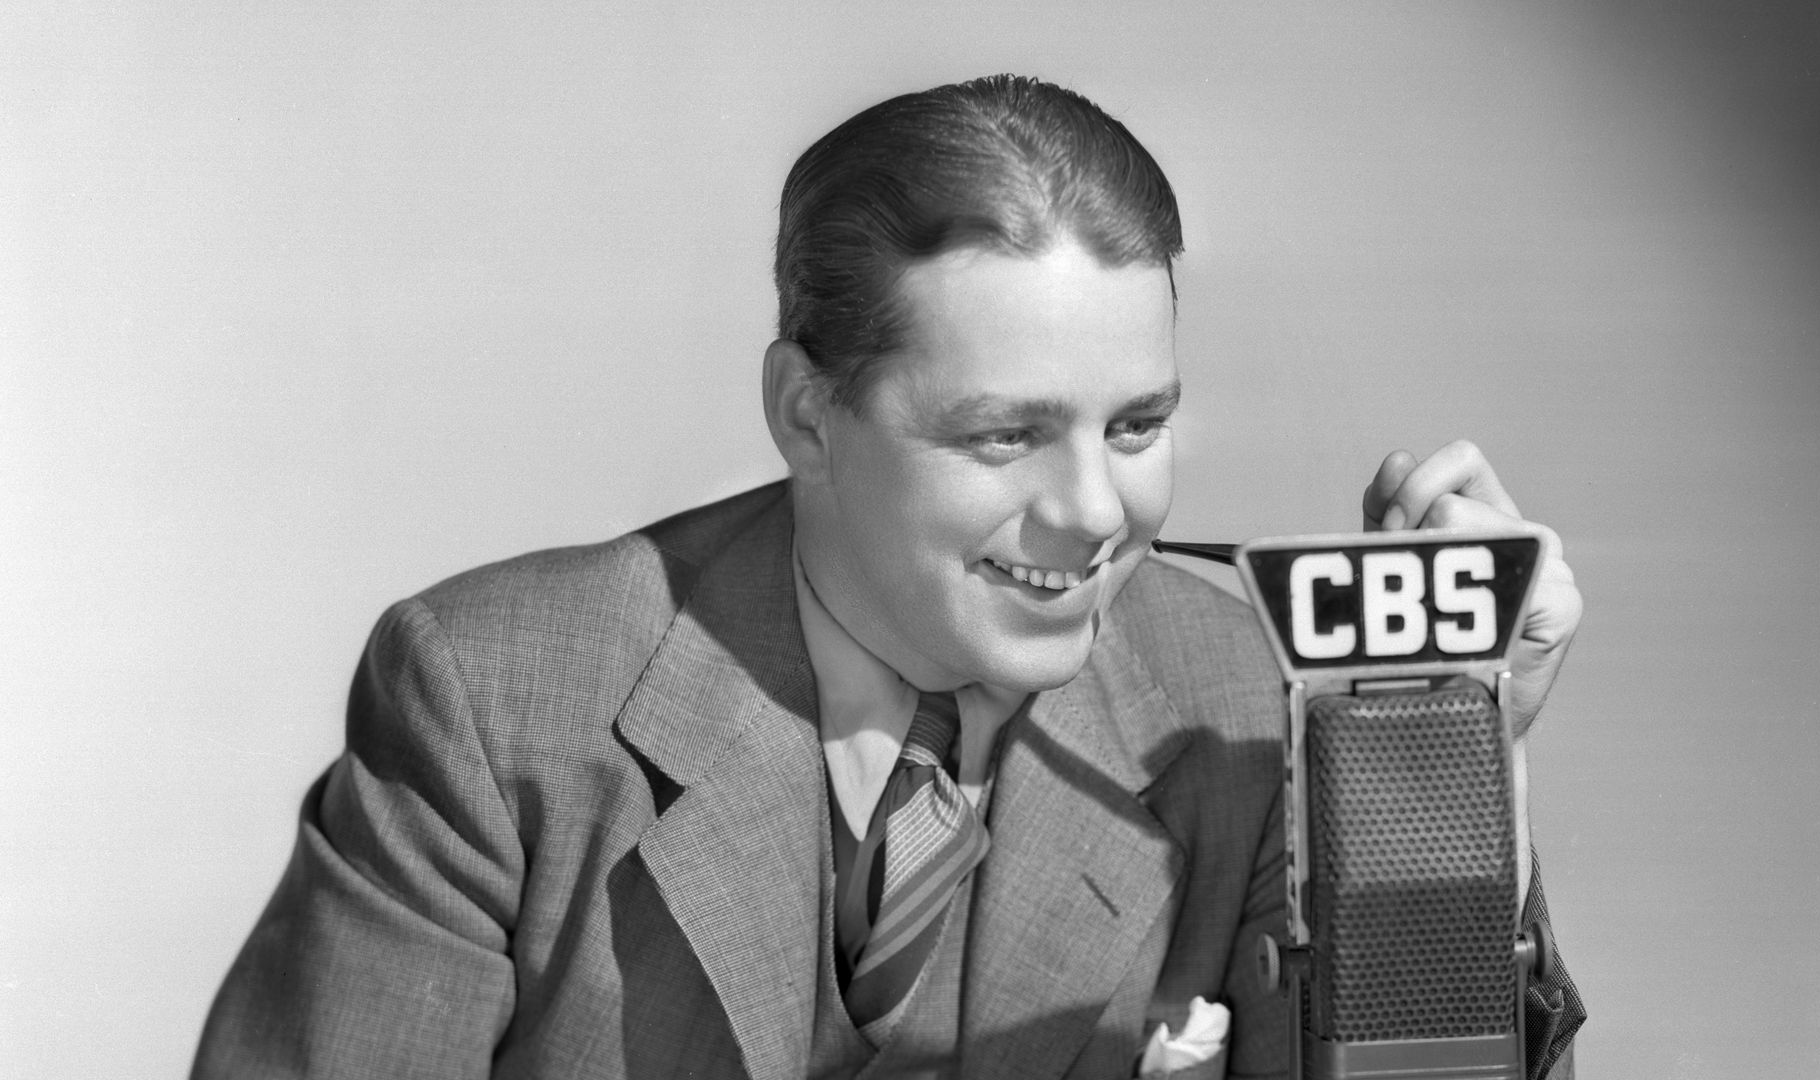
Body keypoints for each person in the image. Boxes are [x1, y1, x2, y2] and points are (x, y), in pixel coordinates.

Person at [193, 74, 1584, 1079]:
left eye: (1138, 426)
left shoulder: (1239, 708)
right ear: (806, 413)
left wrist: (1442, 768)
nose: (1096, 510)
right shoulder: (495, 703)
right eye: (1004, 434)